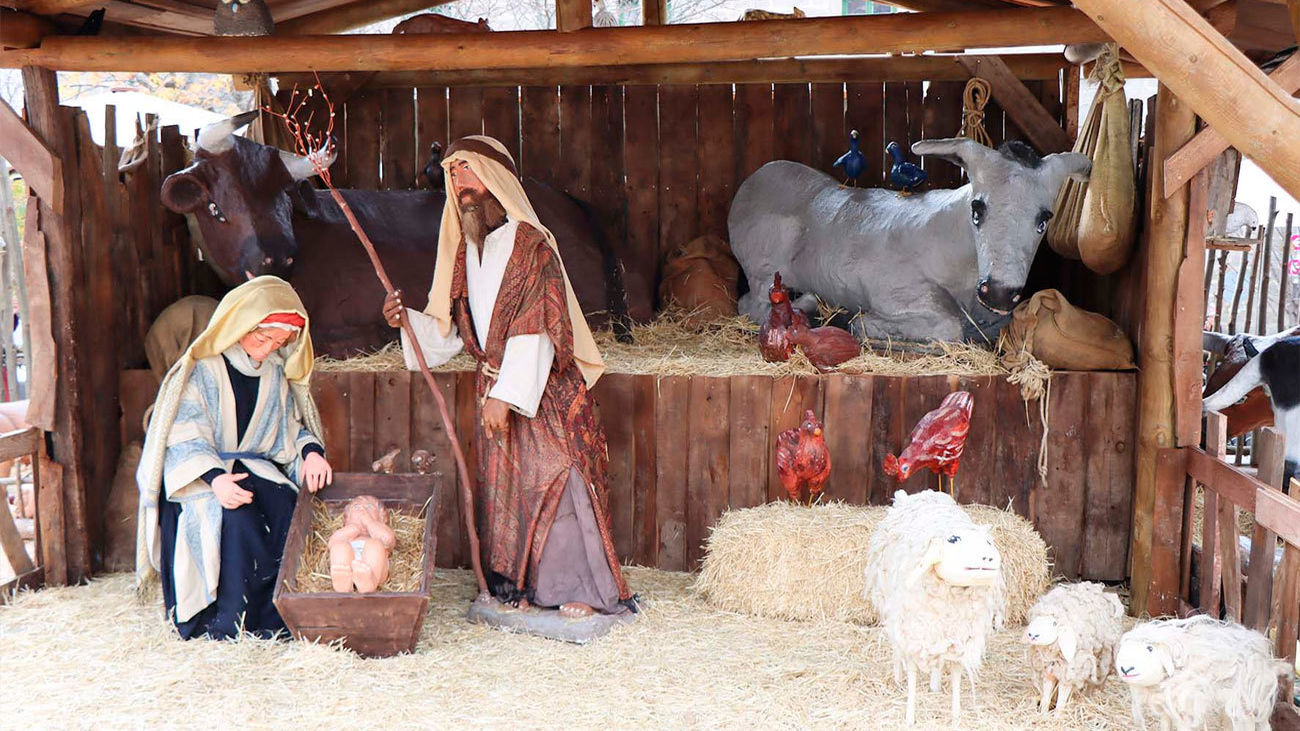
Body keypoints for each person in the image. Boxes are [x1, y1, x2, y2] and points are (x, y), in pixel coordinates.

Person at [383, 135, 634, 618]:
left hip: (545, 396)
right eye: (453, 173)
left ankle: (578, 588)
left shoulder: (532, 246)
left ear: (496, 178)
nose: (460, 183)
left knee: (557, 479)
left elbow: (537, 324)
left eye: (468, 170)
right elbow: (455, 333)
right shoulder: (466, 252)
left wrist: (507, 393)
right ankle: (519, 588)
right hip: (496, 389)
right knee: (510, 496)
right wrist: (405, 322)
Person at [136, 276, 333, 640]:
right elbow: (184, 435)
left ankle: (279, 618)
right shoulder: (201, 370)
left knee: (286, 506)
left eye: (278, 343)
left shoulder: (273, 373)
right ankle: (228, 623)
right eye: (262, 339)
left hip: (256, 468)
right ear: (241, 326)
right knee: (237, 518)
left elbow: (287, 431)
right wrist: (216, 479)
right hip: (203, 475)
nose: (267, 349)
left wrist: (311, 453)